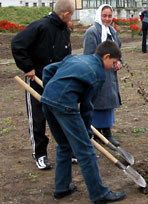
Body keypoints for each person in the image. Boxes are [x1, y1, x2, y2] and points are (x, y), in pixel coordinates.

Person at [41, 40, 126, 203]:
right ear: (106, 56)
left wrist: (49, 90)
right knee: (86, 150)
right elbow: (87, 106)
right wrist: (86, 131)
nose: (113, 66)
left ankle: (61, 187)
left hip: (47, 101)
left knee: (64, 145)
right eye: (113, 62)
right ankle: (99, 194)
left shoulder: (74, 58)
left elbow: (47, 70)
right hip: (65, 106)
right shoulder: (99, 73)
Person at [11, 0, 74, 170]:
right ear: (66, 14)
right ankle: (40, 154)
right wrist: (28, 67)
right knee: (38, 117)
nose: (72, 18)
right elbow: (17, 44)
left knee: (63, 114)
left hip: (57, 80)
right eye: (72, 15)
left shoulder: (64, 30)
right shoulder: (40, 26)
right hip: (36, 79)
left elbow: (66, 54)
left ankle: (68, 149)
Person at [83, 4, 122, 147]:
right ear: (99, 16)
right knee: (97, 102)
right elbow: (89, 54)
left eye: (109, 16)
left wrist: (119, 62)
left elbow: (118, 51)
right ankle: (95, 132)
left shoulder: (112, 31)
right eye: (104, 16)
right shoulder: (92, 32)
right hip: (97, 74)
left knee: (108, 103)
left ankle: (107, 132)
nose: (107, 19)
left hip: (110, 75)